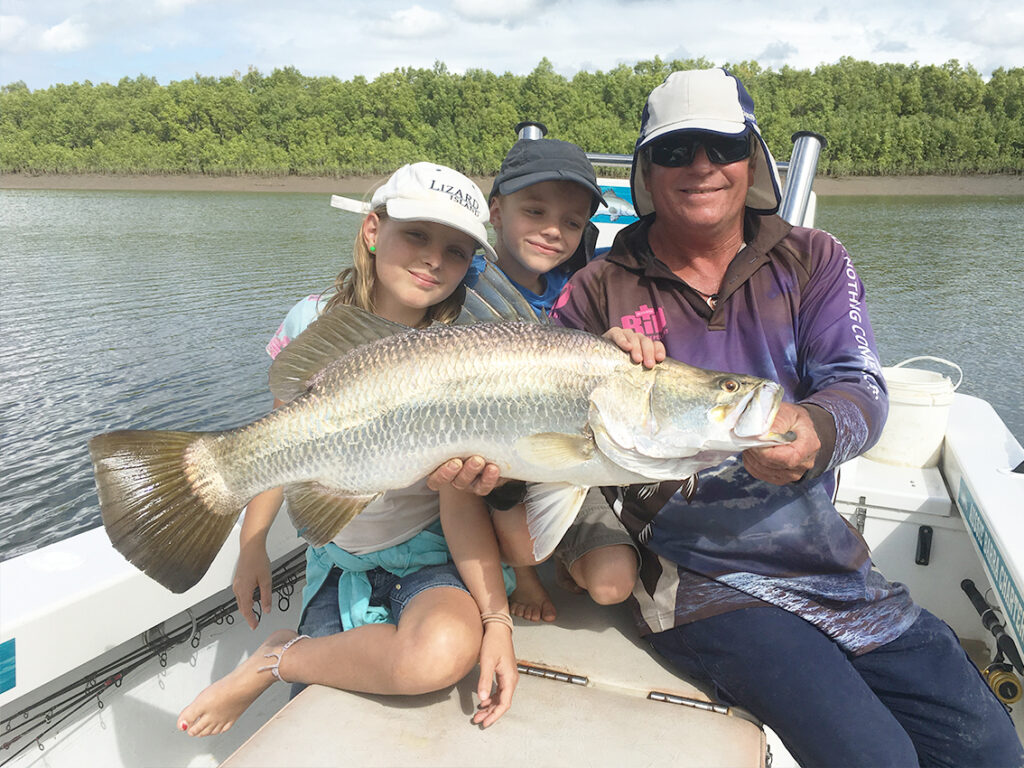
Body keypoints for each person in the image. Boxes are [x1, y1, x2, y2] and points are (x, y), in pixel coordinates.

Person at [547, 67, 1024, 767]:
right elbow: (542, 416)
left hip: (827, 562)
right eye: (677, 151)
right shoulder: (597, 290)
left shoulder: (813, 260)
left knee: (989, 748)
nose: (702, 165)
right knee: (875, 757)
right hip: (693, 577)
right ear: (649, 168)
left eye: (721, 144)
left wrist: (818, 429)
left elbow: (856, 383)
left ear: (753, 157)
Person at [177, 162, 519, 736]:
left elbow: (459, 502)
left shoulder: (468, 350)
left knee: (439, 654)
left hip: (431, 554)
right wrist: (252, 542)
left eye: (458, 251)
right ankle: (290, 652)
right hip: (336, 561)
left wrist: (496, 618)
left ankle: (276, 659)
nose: (435, 259)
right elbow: (280, 442)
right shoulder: (312, 320)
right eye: (416, 235)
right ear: (371, 230)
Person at [477, 136, 642, 623]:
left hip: (567, 454)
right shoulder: (461, 287)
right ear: (497, 211)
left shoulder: (586, 289)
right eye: (534, 211)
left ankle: (562, 552)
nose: (553, 231)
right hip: (490, 468)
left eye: (571, 222)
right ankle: (524, 573)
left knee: (613, 584)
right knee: (485, 472)